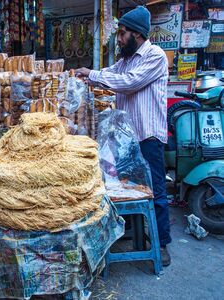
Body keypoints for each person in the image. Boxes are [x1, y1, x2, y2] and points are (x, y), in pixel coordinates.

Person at [74, 6, 172, 266]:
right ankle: (131, 231)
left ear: (137, 34)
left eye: (122, 33)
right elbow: (112, 73)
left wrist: (92, 75)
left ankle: (161, 244)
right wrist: (90, 75)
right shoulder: (127, 59)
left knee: (155, 191)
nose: (118, 38)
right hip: (127, 137)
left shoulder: (155, 56)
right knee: (126, 188)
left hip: (148, 135)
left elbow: (129, 82)